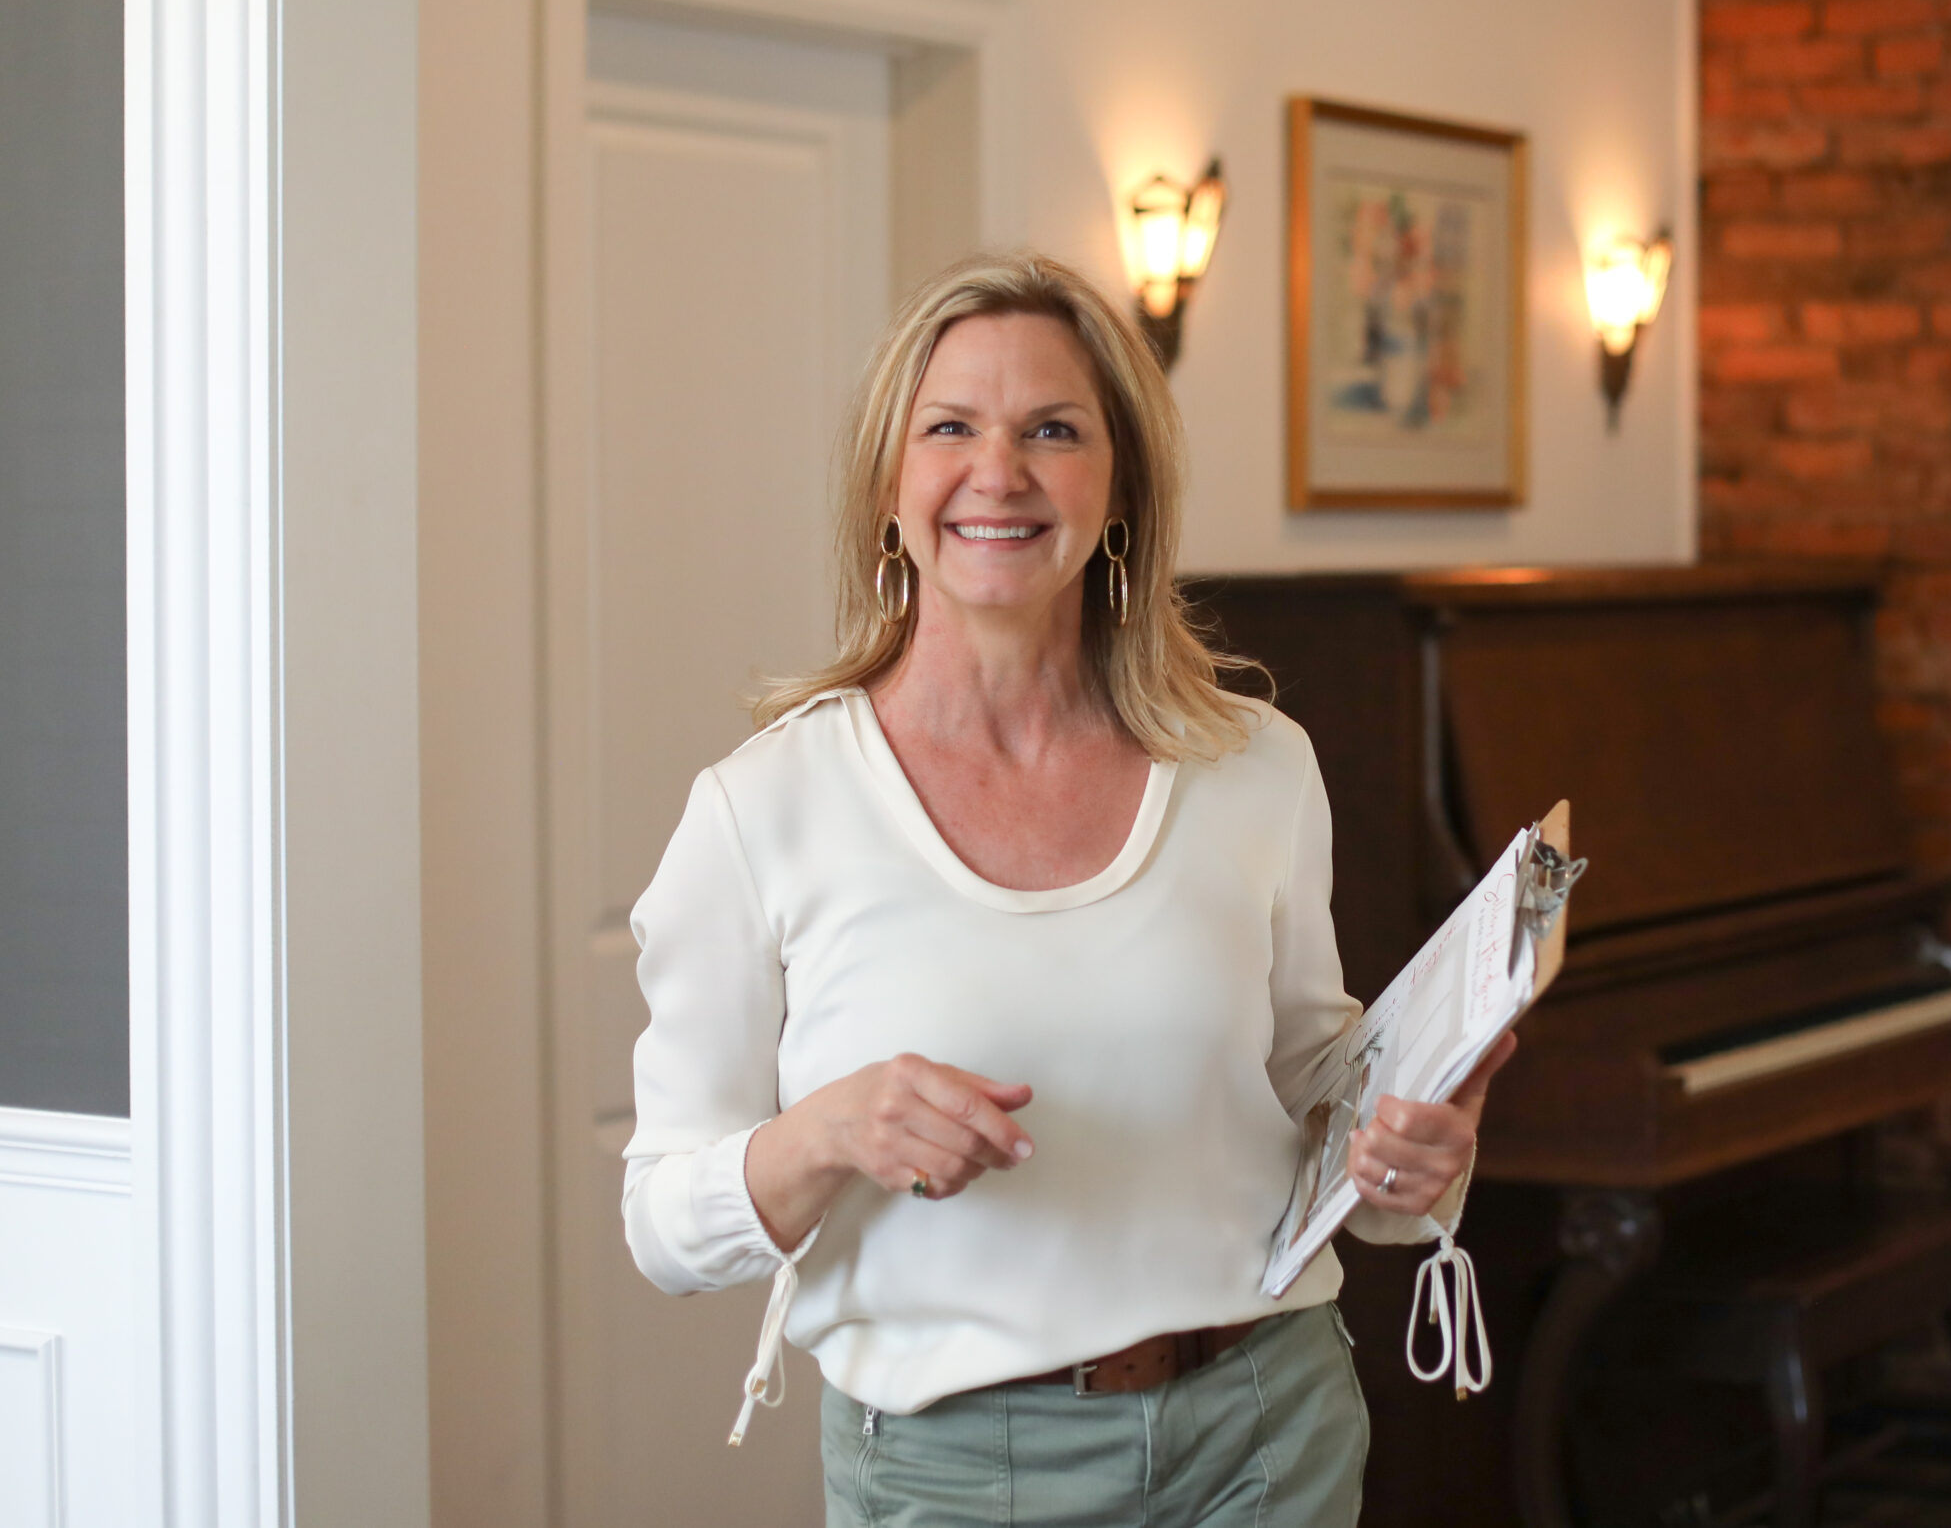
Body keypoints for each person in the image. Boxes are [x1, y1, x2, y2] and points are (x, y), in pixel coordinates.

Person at [621, 250, 1514, 1527]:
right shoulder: (762, 809)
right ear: (890, 487)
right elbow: (662, 1225)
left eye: (1053, 430)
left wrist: (1419, 1152)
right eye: (950, 429)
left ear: (1121, 489)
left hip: (1270, 1432)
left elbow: (1317, 1099)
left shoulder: (1255, 766)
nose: (1000, 473)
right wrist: (831, 1130)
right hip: (953, 1470)